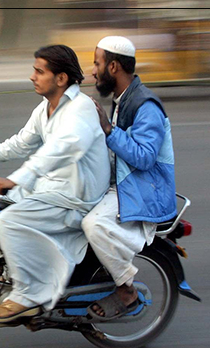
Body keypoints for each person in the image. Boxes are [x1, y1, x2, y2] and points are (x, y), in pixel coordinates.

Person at [0, 45, 110, 323]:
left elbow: (58, 151)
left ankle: (29, 296)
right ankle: (12, 273)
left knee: (9, 221)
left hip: (76, 198)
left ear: (61, 78)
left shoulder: (81, 109)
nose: (32, 77)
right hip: (53, 188)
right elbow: (21, 143)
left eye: (40, 71)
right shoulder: (46, 109)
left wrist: (14, 180)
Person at [81, 36, 177, 320]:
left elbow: (145, 157)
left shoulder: (146, 105)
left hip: (145, 189)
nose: (93, 70)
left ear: (113, 66)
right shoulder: (123, 99)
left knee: (93, 224)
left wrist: (109, 130)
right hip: (125, 182)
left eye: (97, 63)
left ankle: (126, 290)